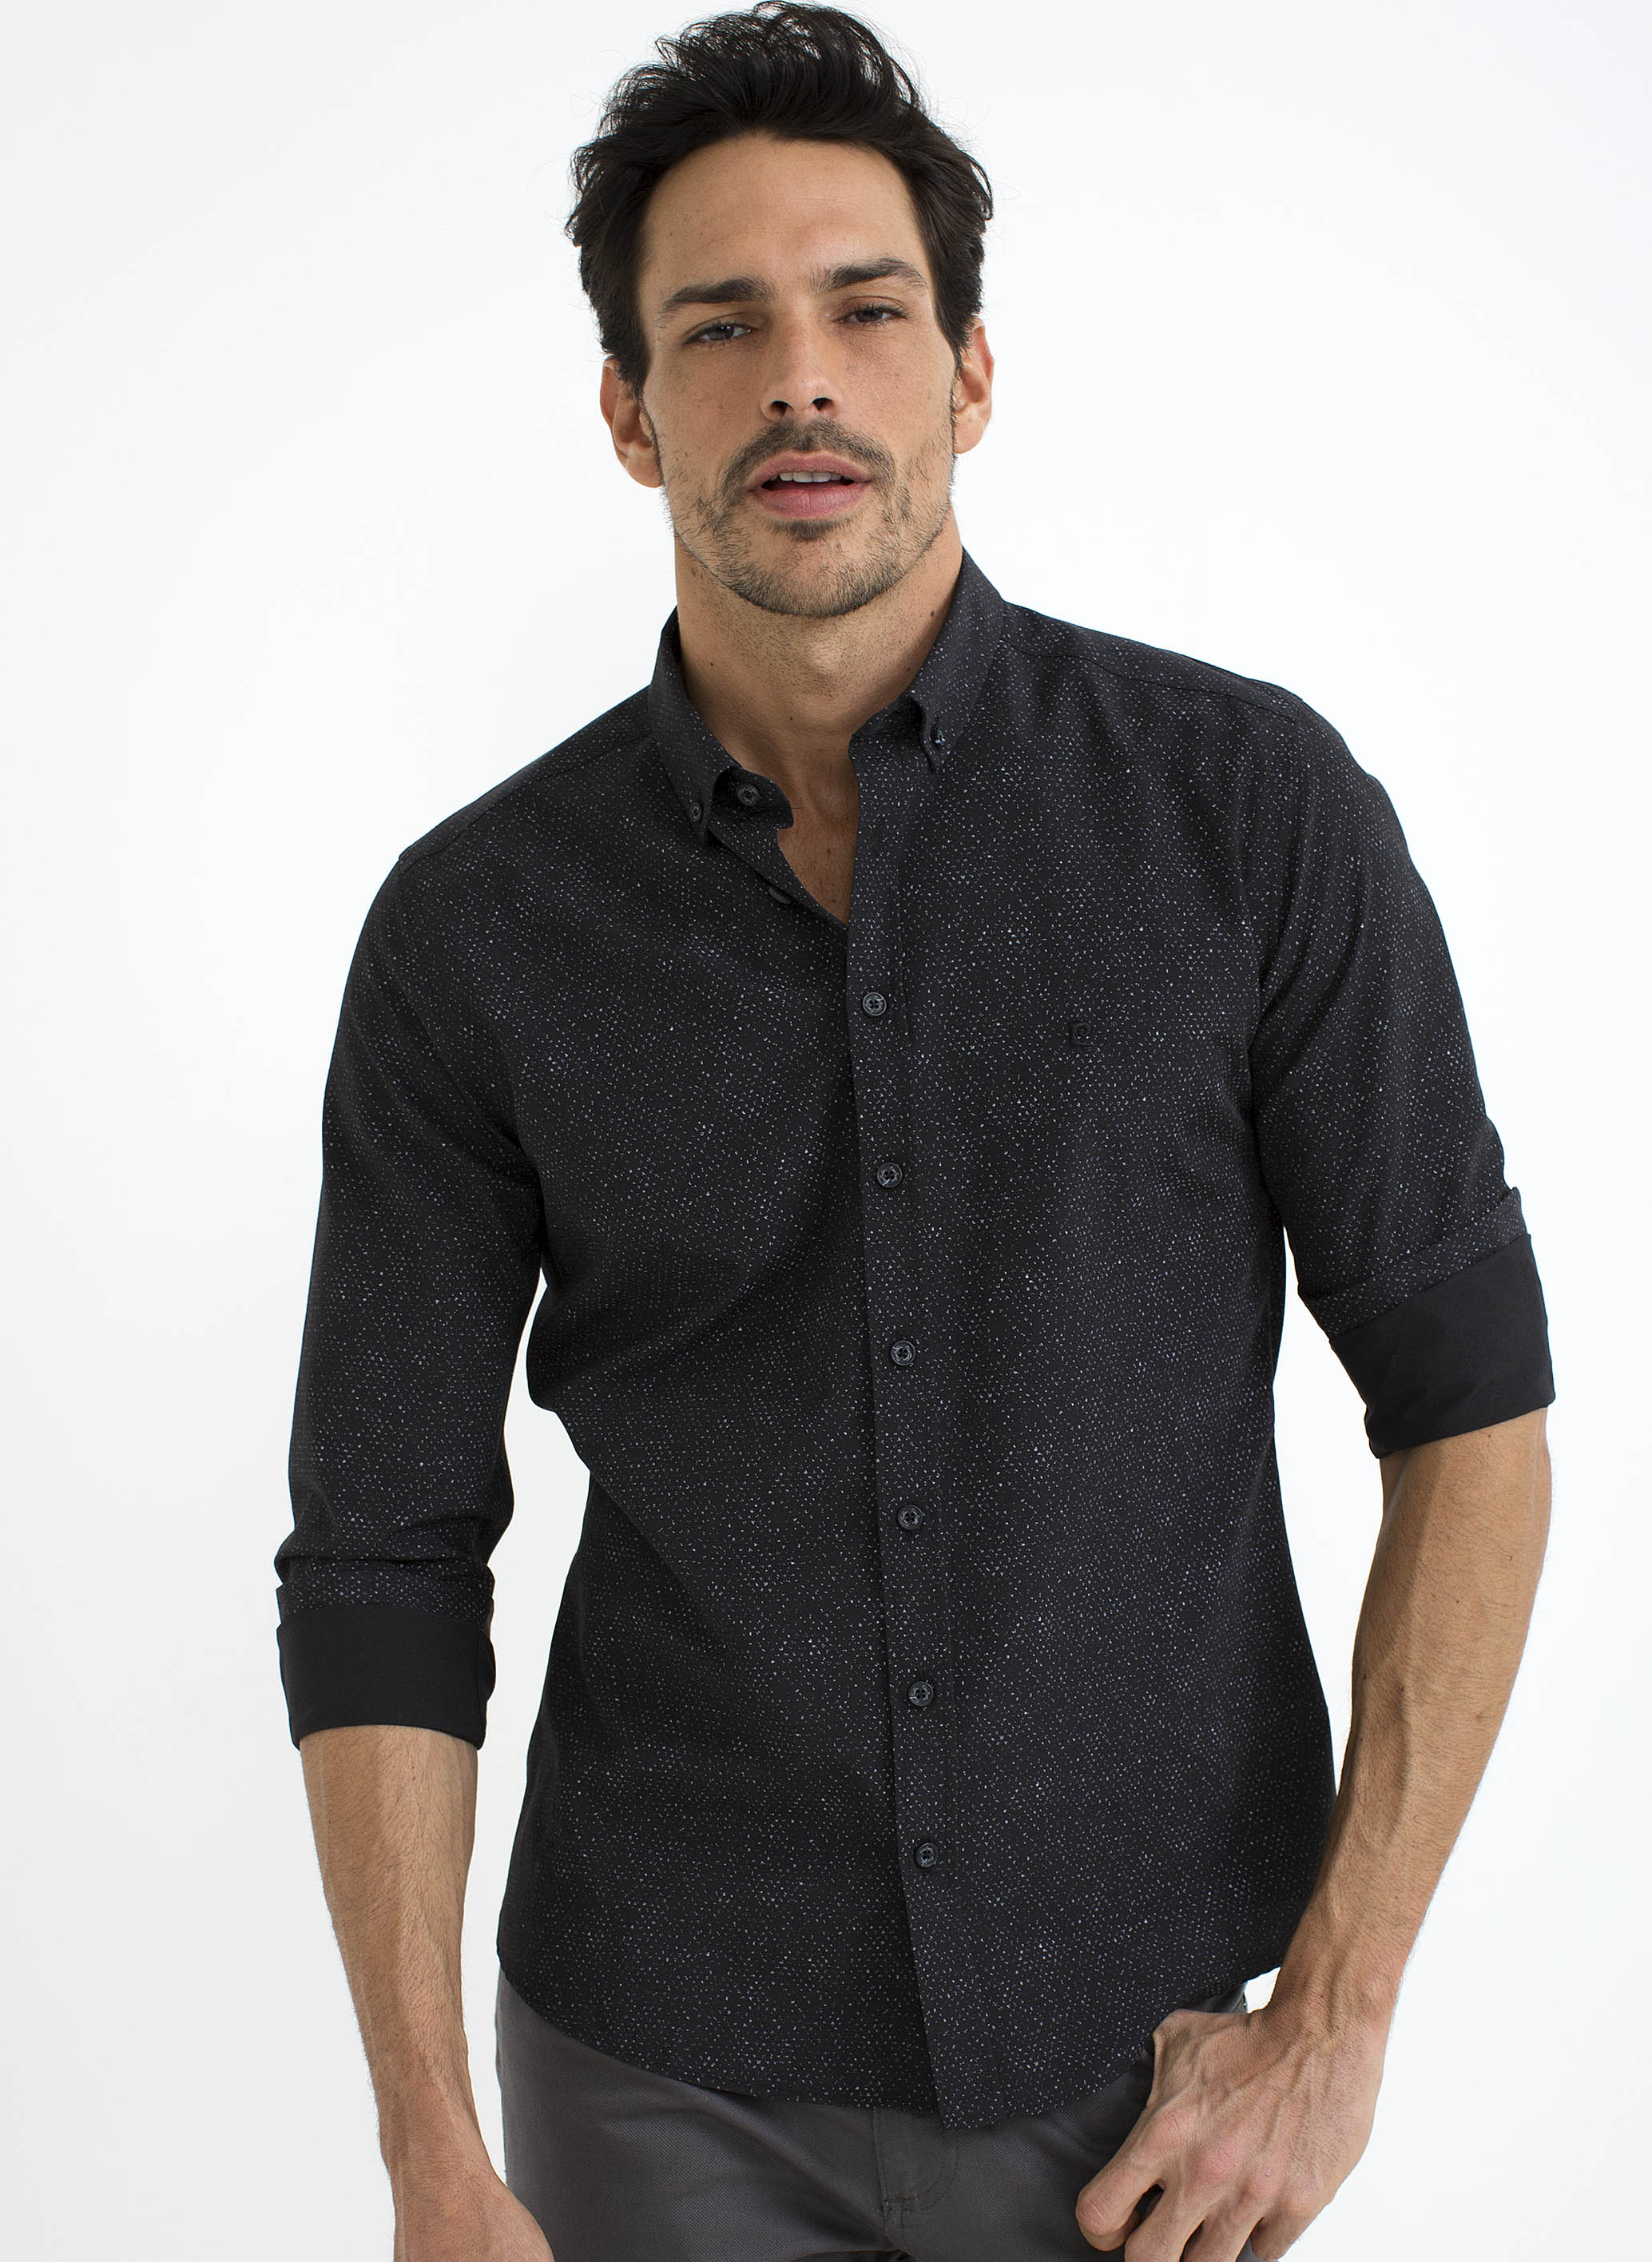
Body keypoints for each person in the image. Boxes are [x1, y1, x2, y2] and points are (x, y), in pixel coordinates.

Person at [274, 7, 1555, 2257]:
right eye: (719, 326)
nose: (802, 381)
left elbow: (1471, 1412)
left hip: (1149, 2078)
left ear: (968, 374)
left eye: (865, 312)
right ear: (626, 408)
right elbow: (381, 1554)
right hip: (647, 2067)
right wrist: (428, 2153)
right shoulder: (474, 931)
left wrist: (1336, 2021)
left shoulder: (1246, 815)